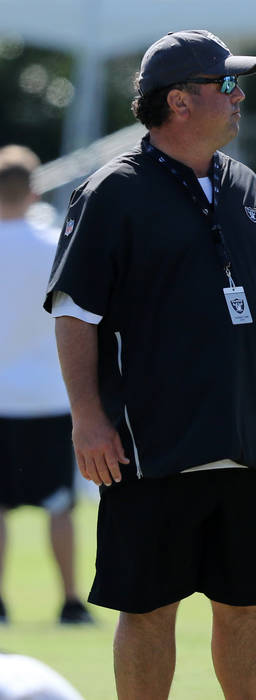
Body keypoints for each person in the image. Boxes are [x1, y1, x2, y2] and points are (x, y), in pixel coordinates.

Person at [43, 30, 256, 699]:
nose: (241, 98)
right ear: (179, 101)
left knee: (247, 603)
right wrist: (88, 419)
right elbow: (74, 313)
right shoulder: (113, 192)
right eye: (227, 85)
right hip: (154, 442)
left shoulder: (249, 186)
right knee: (148, 607)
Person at [0, 145, 92, 626]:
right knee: (60, 504)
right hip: (50, 395)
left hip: (1, 398)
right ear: (33, 188)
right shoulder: (55, 242)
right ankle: (71, 602)